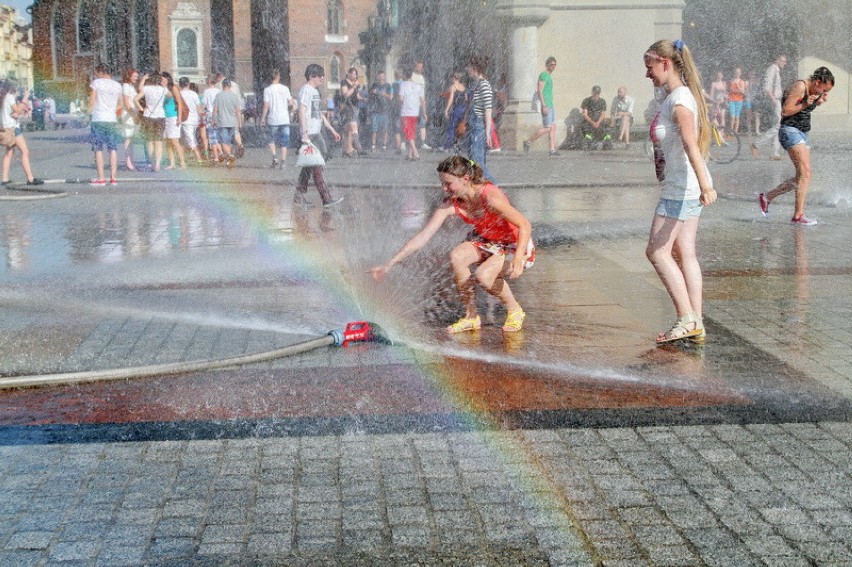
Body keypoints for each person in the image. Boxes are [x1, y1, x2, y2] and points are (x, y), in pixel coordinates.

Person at [370, 155, 534, 333]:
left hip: (515, 244)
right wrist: (389, 264)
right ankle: (471, 316)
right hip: (489, 240)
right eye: (442, 183)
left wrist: (517, 259)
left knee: (483, 276)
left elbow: (524, 224)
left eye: (448, 183)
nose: (444, 188)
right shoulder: (452, 203)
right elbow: (423, 236)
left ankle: (514, 309)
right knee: (457, 256)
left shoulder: (491, 197)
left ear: (465, 179)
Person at [643, 39, 717, 344]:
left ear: (665, 63)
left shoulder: (680, 100)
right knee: (684, 251)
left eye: (649, 67)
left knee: (656, 251)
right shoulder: (673, 96)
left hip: (682, 187)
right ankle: (695, 322)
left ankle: (686, 318)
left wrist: (705, 185)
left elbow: (691, 144)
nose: (647, 74)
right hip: (683, 183)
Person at [757, 67, 834, 226]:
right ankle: (798, 216)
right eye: (824, 90)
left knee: (802, 176)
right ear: (818, 82)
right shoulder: (800, 86)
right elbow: (786, 111)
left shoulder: (813, 91)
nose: (824, 93)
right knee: (806, 173)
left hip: (802, 132)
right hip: (790, 131)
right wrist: (806, 103)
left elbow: (804, 108)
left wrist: (817, 102)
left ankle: (767, 197)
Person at [295, 63, 342, 208]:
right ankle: (326, 198)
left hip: (316, 133)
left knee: (309, 166)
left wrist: (331, 130)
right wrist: (304, 134)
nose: (322, 78)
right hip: (310, 135)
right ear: (311, 76)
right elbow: (301, 111)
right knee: (317, 165)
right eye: (319, 75)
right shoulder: (306, 90)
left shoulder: (314, 92)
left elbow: (318, 114)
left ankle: (299, 196)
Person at [1, 81, 43, 186]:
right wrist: (25, 98)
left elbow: (13, 112)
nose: (17, 89)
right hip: (13, 128)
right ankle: (30, 179)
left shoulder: (3, 96)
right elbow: (17, 110)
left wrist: (16, 113)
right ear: (12, 87)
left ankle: (5, 178)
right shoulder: (9, 97)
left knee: (9, 152)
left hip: (5, 127)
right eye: (16, 87)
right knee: (25, 152)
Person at [87, 63, 123, 186]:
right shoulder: (117, 85)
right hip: (111, 119)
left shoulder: (96, 83)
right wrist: (111, 110)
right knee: (113, 148)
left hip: (98, 118)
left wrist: (87, 111)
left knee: (98, 149)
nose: (96, 75)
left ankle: (101, 178)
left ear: (100, 72)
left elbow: (92, 101)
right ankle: (113, 178)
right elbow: (121, 104)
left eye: (97, 73)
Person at [751, 54, 787, 160]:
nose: (785, 63)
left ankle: (775, 153)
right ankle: (756, 144)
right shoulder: (772, 69)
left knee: (778, 125)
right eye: (783, 61)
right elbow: (767, 88)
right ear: (776, 60)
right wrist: (774, 100)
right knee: (778, 125)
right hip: (774, 101)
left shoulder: (776, 70)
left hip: (777, 100)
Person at [465, 56, 496, 182]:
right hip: (472, 126)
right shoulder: (475, 84)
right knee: (472, 160)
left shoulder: (484, 85)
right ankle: (478, 190)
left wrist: (488, 132)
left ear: (475, 68)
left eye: (469, 68)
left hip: (478, 127)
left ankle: (495, 188)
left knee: (478, 162)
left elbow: (488, 110)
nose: (467, 70)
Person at [522, 56, 559, 156]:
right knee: (548, 128)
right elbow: (540, 91)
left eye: (555, 65)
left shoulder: (549, 76)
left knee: (553, 127)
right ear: (547, 65)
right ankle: (528, 142)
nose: (553, 66)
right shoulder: (543, 75)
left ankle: (552, 150)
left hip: (550, 104)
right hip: (546, 105)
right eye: (551, 64)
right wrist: (543, 105)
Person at [259, 70, 294, 169]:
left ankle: (275, 157)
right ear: (278, 77)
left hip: (273, 119)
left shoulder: (267, 90)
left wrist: (263, 118)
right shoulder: (285, 88)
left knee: (271, 138)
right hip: (284, 118)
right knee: (285, 141)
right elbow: (291, 103)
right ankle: (283, 161)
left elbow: (266, 105)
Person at [135, 73, 167, 172]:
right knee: (158, 141)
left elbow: (135, 99)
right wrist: (164, 85)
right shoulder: (163, 90)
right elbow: (170, 95)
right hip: (160, 117)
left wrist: (141, 109)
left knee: (149, 141)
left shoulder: (147, 88)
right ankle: (157, 164)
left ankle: (152, 163)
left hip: (148, 116)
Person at [398, 66, 425, 161]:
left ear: (405, 75)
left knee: (408, 133)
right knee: (411, 132)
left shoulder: (403, 85)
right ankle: (409, 155)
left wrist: (401, 102)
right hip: (415, 112)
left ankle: (415, 152)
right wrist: (424, 113)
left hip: (406, 111)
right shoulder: (418, 86)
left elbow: (401, 99)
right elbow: (422, 100)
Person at [213, 78, 241, 168]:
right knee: (229, 142)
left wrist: (214, 120)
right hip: (233, 122)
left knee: (223, 142)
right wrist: (240, 122)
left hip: (222, 122)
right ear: (230, 86)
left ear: (222, 86)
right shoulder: (234, 96)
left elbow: (215, 110)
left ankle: (229, 155)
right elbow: (238, 111)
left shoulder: (218, 96)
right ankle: (229, 161)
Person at [161, 72, 186, 170]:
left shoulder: (173, 88)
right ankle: (172, 163)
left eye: (163, 79)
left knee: (175, 141)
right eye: (161, 80)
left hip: (173, 116)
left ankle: (183, 163)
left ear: (168, 79)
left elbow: (180, 103)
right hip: (164, 117)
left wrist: (179, 117)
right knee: (167, 141)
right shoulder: (161, 89)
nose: (161, 81)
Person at [339, 67, 365, 157]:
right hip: (347, 107)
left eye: (356, 74)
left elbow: (356, 96)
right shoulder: (344, 82)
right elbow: (345, 94)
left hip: (355, 107)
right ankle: (359, 148)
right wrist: (353, 87)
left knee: (348, 130)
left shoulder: (355, 84)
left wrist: (364, 99)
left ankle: (345, 149)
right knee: (354, 127)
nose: (355, 76)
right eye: (353, 74)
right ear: (349, 74)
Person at [179, 77, 203, 164]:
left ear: (180, 84)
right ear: (188, 84)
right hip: (194, 120)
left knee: (189, 140)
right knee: (186, 140)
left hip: (185, 120)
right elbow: (199, 108)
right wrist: (201, 119)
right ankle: (182, 159)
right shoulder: (194, 94)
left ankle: (199, 159)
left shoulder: (179, 94)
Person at [441, 72, 467, 153]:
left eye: (452, 78)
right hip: (463, 109)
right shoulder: (463, 87)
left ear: (454, 78)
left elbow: (451, 99)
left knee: (451, 128)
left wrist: (446, 109)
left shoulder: (453, 87)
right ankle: (457, 145)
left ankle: (447, 146)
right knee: (459, 128)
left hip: (456, 109)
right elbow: (466, 99)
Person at [120, 68, 139, 170]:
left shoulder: (131, 86)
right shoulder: (126, 86)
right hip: (128, 115)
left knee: (131, 138)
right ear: (129, 76)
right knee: (128, 138)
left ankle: (131, 160)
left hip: (132, 114)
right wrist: (134, 114)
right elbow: (126, 103)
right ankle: (128, 162)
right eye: (135, 76)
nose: (136, 78)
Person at [369, 71, 393, 152]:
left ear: (385, 77)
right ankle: (373, 145)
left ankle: (384, 145)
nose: (381, 78)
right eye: (379, 76)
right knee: (374, 129)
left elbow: (390, 97)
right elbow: (370, 95)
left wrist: (382, 94)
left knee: (385, 129)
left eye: (382, 76)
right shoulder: (374, 85)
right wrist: (372, 92)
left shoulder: (388, 86)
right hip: (375, 110)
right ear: (378, 77)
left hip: (385, 110)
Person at [581, 85, 610, 149]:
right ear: (592, 92)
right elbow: (585, 115)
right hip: (589, 121)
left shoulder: (602, 101)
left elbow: (603, 114)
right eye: (595, 92)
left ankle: (607, 142)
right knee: (586, 128)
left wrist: (598, 122)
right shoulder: (586, 101)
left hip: (599, 121)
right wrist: (593, 123)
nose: (596, 94)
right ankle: (590, 142)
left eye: (598, 93)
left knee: (607, 126)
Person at [201, 74, 222, 164]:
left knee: (212, 137)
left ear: (209, 81)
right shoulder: (219, 91)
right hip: (219, 115)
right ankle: (221, 152)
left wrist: (200, 112)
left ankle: (216, 157)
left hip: (210, 115)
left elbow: (204, 104)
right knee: (217, 136)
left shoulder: (207, 92)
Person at [412, 59, 430, 150]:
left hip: (420, 104)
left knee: (422, 123)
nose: (420, 68)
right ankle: (409, 142)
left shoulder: (422, 78)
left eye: (421, 67)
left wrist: (424, 104)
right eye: (419, 66)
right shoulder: (412, 76)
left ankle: (423, 142)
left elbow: (422, 92)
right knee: (412, 123)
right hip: (412, 104)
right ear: (415, 66)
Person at [727, 67, 746, 134]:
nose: (737, 73)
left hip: (739, 100)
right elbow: (730, 91)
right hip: (732, 100)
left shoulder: (742, 82)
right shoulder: (731, 81)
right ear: (734, 72)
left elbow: (743, 92)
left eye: (738, 72)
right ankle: (731, 131)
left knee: (737, 117)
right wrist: (738, 90)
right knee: (732, 116)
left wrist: (738, 87)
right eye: (736, 72)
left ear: (740, 73)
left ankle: (735, 132)